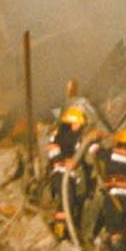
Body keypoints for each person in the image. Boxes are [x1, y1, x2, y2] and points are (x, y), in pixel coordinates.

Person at [43, 103, 91, 242]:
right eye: (77, 124)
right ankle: (61, 233)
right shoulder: (60, 136)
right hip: (60, 173)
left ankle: (60, 234)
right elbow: (52, 149)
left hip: (69, 175)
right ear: (70, 123)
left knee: (66, 203)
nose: (79, 127)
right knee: (67, 201)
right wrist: (63, 161)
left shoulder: (75, 139)